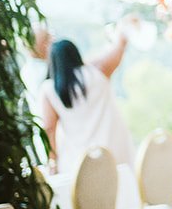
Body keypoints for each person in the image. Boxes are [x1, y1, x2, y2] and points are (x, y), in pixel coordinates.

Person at [39, 30, 135, 175]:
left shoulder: (49, 90)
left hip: (77, 164)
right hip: (115, 155)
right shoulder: (99, 73)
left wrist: (52, 162)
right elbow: (118, 48)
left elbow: (49, 129)